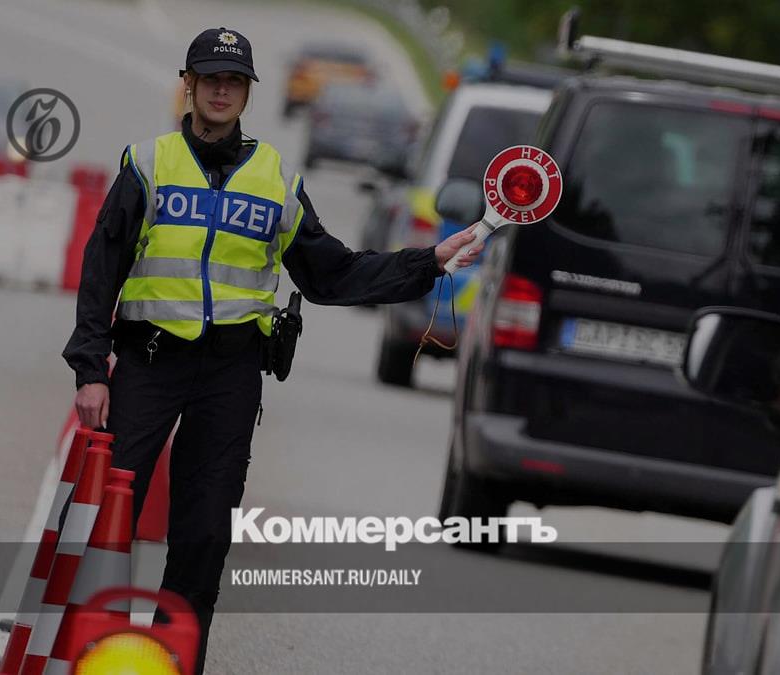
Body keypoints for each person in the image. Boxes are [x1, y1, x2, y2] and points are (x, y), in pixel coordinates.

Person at [62, 27, 481, 673]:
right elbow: (101, 271)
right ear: (191, 85)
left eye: (234, 80)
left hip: (230, 372)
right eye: (211, 78)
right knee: (107, 517)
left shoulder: (276, 181)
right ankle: (90, 652)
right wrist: (92, 369)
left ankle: (171, 662)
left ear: (248, 92)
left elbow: (332, 274)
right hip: (148, 361)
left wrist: (428, 262)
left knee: (203, 535)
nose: (222, 89)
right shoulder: (147, 165)